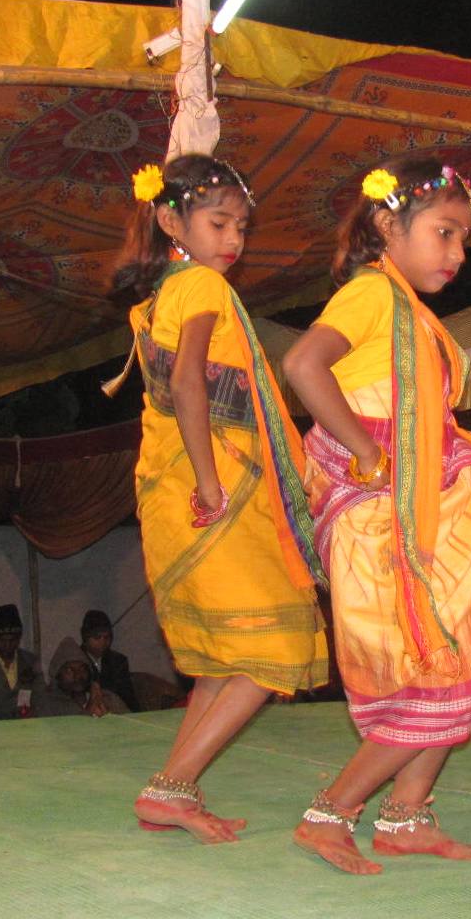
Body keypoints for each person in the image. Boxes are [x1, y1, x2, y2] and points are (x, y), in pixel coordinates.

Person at [283, 157, 471, 875]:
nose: (458, 253)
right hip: (382, 512)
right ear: (388, 225)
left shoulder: (407, 310)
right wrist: (365, 452)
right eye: (444, 232)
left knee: (462, 655)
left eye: (463, 237)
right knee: (433, 668)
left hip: (421, 501)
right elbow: (303, 366)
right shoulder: (372, 295)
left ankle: (407, 816)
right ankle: (330, 813)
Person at [118, 154, 329, 842]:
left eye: (241, 225)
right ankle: (171, 787)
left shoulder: (161, 295)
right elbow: (188, 385)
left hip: (174, 484)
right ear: (170, 220)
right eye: (218, 222)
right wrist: (211, 483)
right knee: (275, 649)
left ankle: (171, 791)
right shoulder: (202, 286)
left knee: (221, 659)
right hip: (212, 489)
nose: (234, 239)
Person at [31, 637, 113, 718]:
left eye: (82, 669)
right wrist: (91, 706)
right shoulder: (48, 703)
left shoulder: (108, 698)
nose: (78, 675)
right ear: (57, 674)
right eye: (69, 671)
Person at [78, 610, 139, 714]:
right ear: (85, 638)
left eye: (107, 637)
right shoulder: (76, 662)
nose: (103, 642)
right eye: (97, 637)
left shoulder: (118, 661)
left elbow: (128, 697)